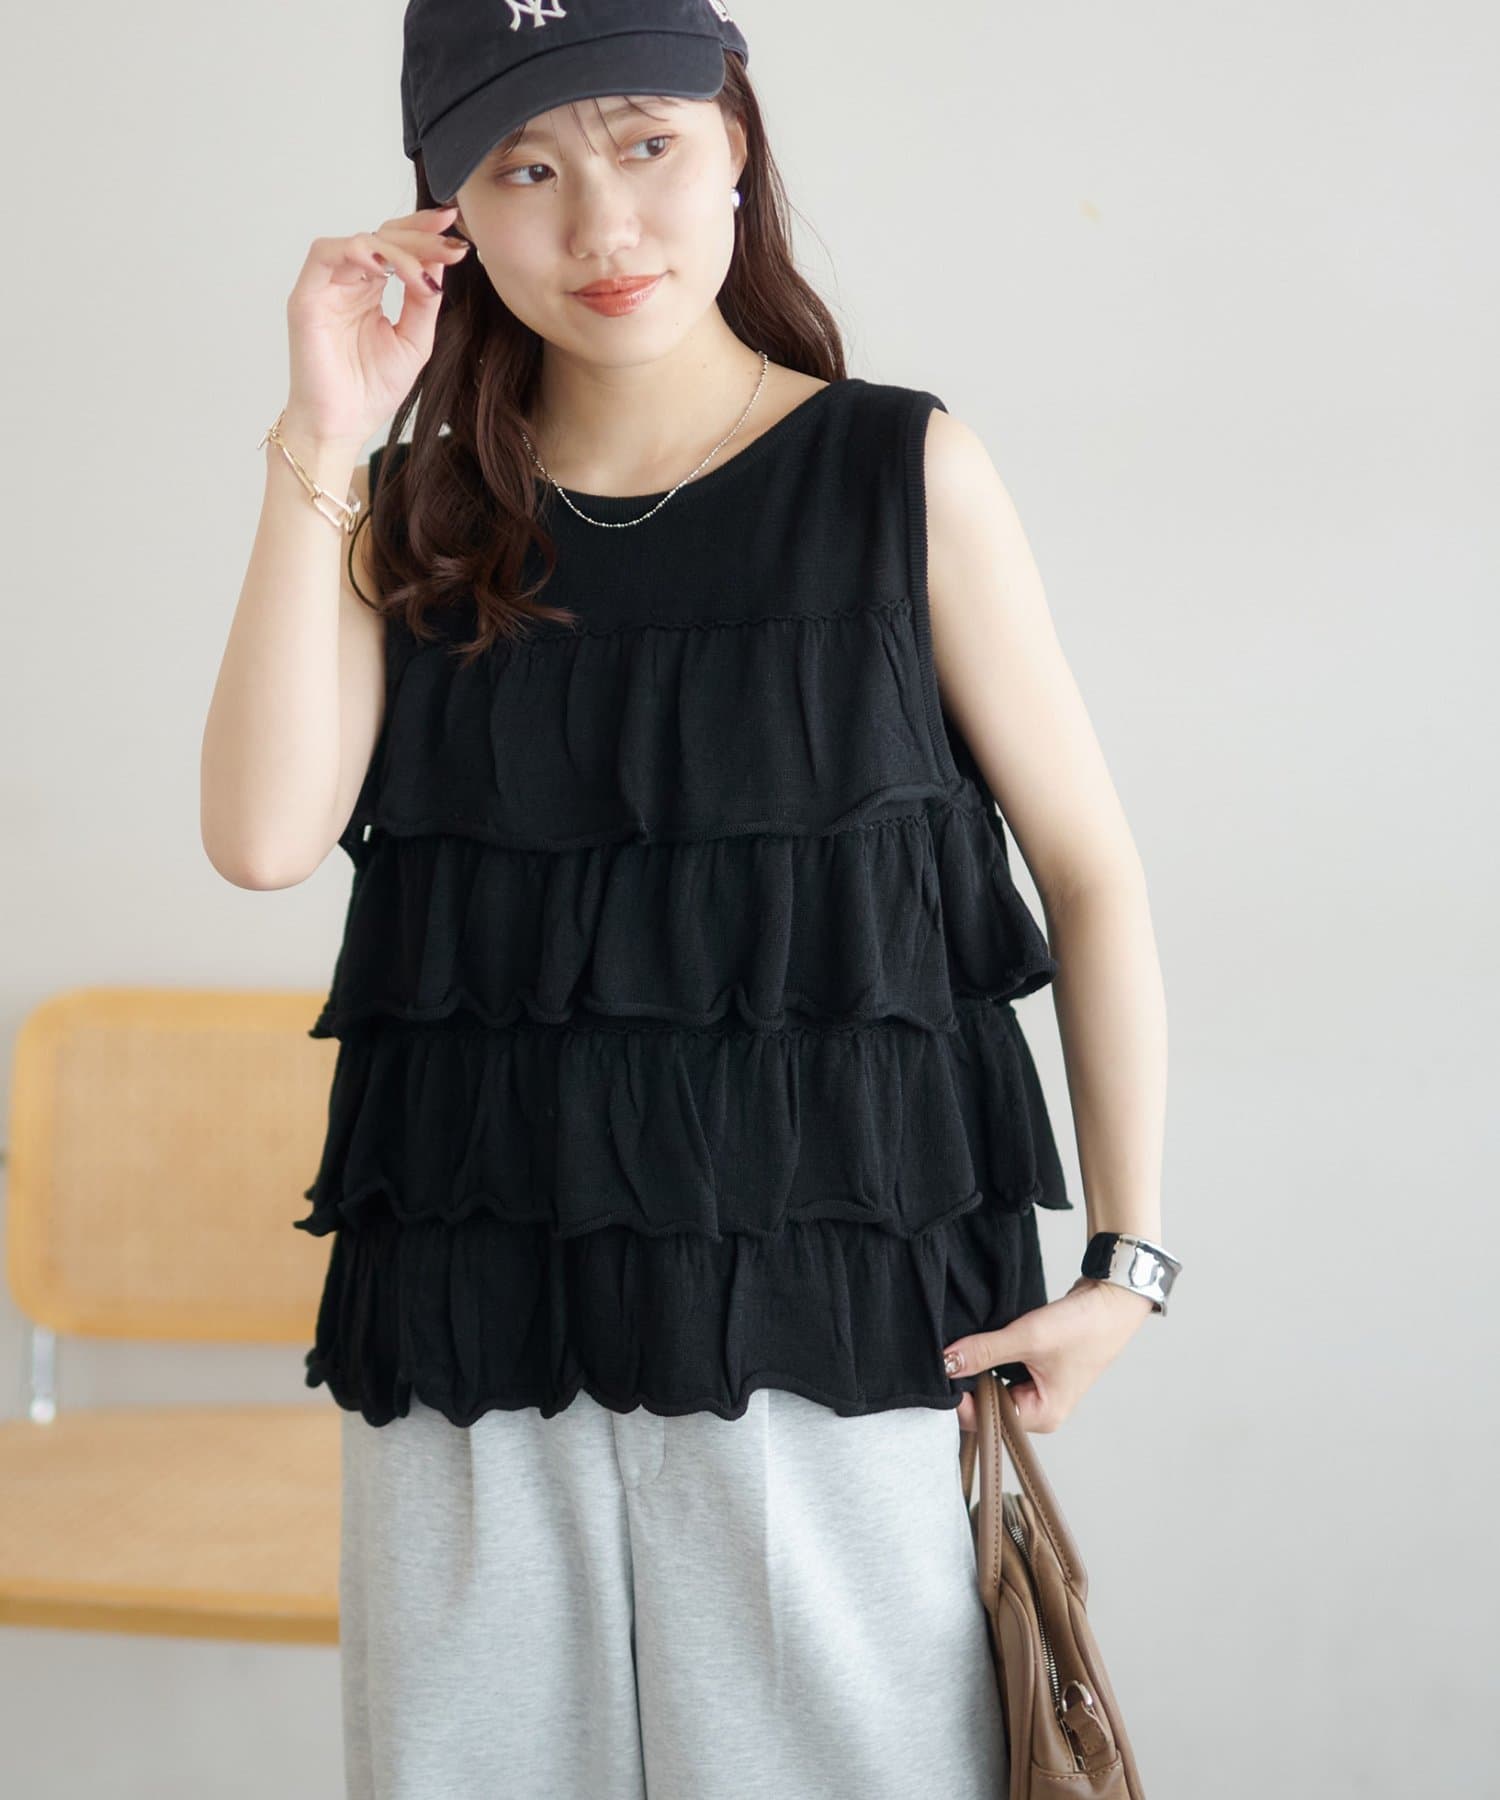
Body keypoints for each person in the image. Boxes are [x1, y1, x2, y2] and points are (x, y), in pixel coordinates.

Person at [200, 3, 1180, 1795]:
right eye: (524, 170)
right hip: (473, 1334)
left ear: (735, 141)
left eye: (644, 142)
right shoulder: (412, 514)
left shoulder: (899, 474)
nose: (601, 226)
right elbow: (264, 837)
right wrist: (325, 429)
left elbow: (1091, 869)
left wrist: (1129, 1261)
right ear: (446, 213)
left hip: (835, 1324)